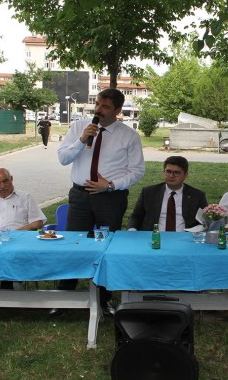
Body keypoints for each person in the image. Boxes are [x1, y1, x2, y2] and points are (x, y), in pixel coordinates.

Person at [56, 88, 145, 316]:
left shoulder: (129, 136)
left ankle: (104, 299)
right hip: (80, 196)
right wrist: (81, 140)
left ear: (118, 110)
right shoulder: (79, 127)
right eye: (97, 104)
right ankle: (64, 296)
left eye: (105, 107)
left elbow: (137, 171)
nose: (98, 110)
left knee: (106, 247)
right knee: (74, 244)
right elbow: (63, 158)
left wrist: (111, 184)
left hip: (110, 197)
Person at [127, 156, 208, 231]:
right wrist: (132, 230)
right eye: (168, 171)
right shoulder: (149, 192)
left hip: (185, 237)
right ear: (163, 172)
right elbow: (135, 217)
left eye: (176, 173)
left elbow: (205, 221)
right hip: (154, 236)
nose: (171, 176)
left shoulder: (197, 196)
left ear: (185, 175)